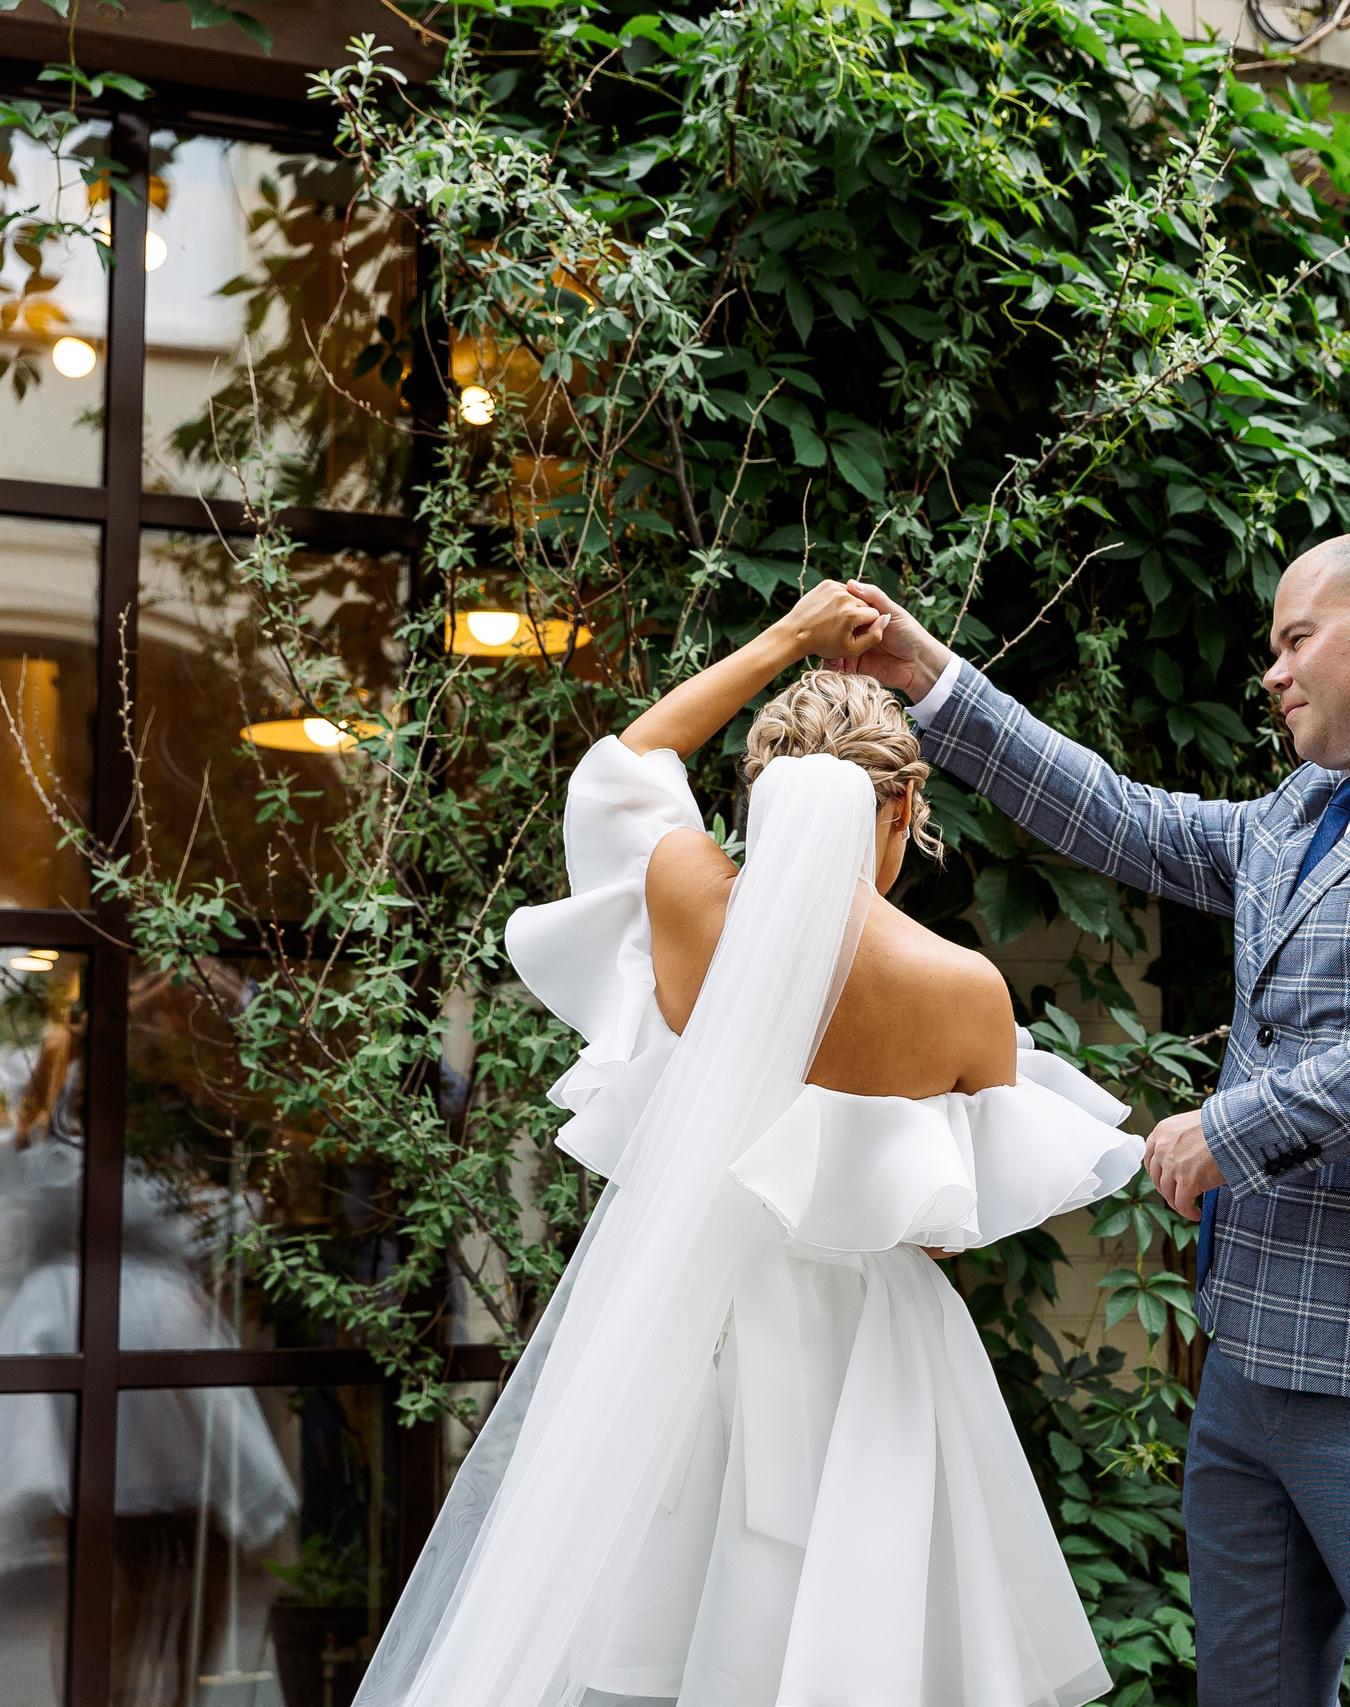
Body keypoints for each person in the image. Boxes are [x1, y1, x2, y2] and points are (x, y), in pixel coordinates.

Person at [353, 583, 1144, 1707]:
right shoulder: (963, 994)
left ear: (758, 795)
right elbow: (952, 1224)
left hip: (686, 1321)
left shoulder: (684, 897)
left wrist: (788, 640)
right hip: (873, 1354)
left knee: (657, 1623)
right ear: (908, 801)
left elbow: (624, 767)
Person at [850, 530, 1350, 1707]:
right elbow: (1122, 820)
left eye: (1296, 639)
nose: (1272, 671)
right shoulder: (1294, 815)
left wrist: (1234, 1128)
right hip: (1249, 1369)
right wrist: (926, 674)